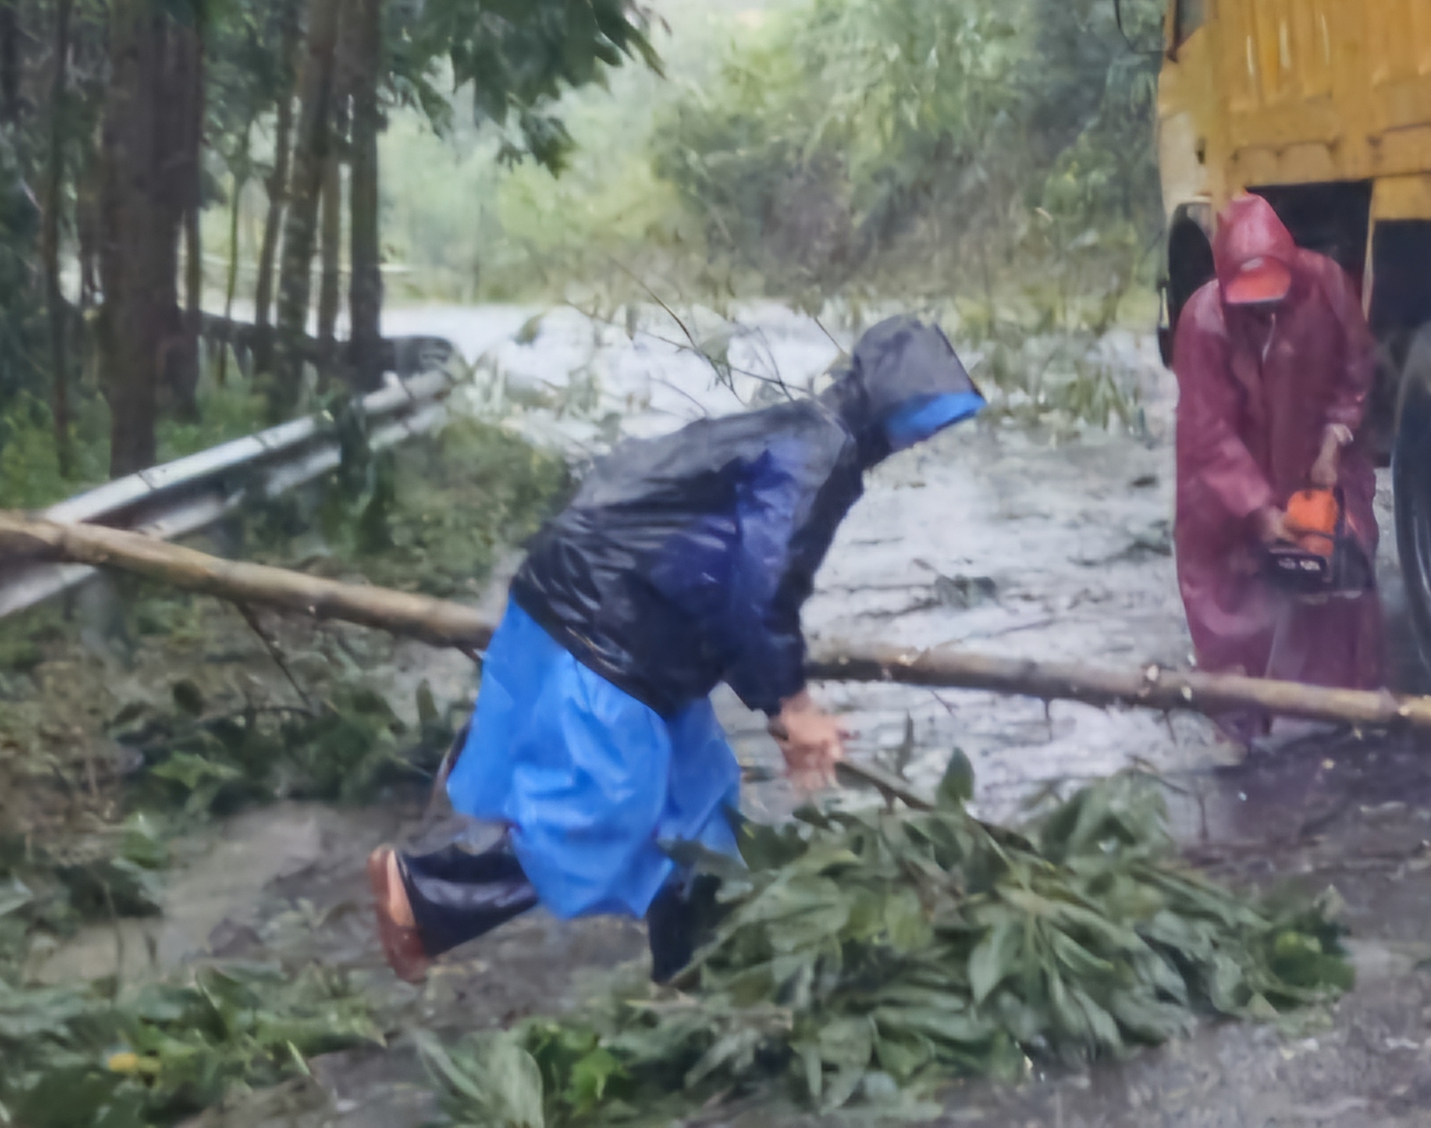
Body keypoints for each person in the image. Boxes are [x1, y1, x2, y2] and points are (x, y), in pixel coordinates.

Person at [366, 316, 984, 985]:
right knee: (607, 815)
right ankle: (426, 892)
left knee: (699, 811)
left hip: (625, 616)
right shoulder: (820, 450)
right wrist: (792, 706)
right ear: (888, 398)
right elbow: (762, 585)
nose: (920, 433)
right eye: (920, 412)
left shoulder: (797, 429)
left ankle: (693, 977)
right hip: (611, 624)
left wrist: (777, 702)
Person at [1172, 193, 1384, 742]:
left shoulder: (1327, 286)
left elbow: (1356, 369)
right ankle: (1236, 721)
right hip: (1227, 481)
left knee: (1340, 576)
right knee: (1228, 598)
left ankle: (1341, 713)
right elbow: (1208, 433)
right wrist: (1257, 512)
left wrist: (1334, 442)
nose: (1262, 308)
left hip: (1309, 463)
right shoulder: (1203, 322)